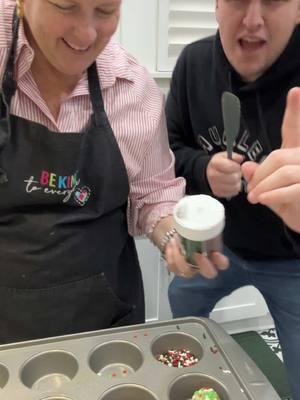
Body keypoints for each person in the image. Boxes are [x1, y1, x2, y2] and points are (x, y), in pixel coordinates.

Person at [0, 0, 230, 344]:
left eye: (105, 11)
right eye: (65, 6)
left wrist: (176, 240)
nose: (86, 33)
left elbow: (154, 195)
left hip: (104, 318)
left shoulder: (131, 88)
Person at [165, 0, 300, 397]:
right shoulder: (192, 64)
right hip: (217, 247)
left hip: (292, 262)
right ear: (218, 6)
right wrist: (203, 168)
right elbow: (170, 148)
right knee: (180, 304)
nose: (253, 20)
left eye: (273, 1)